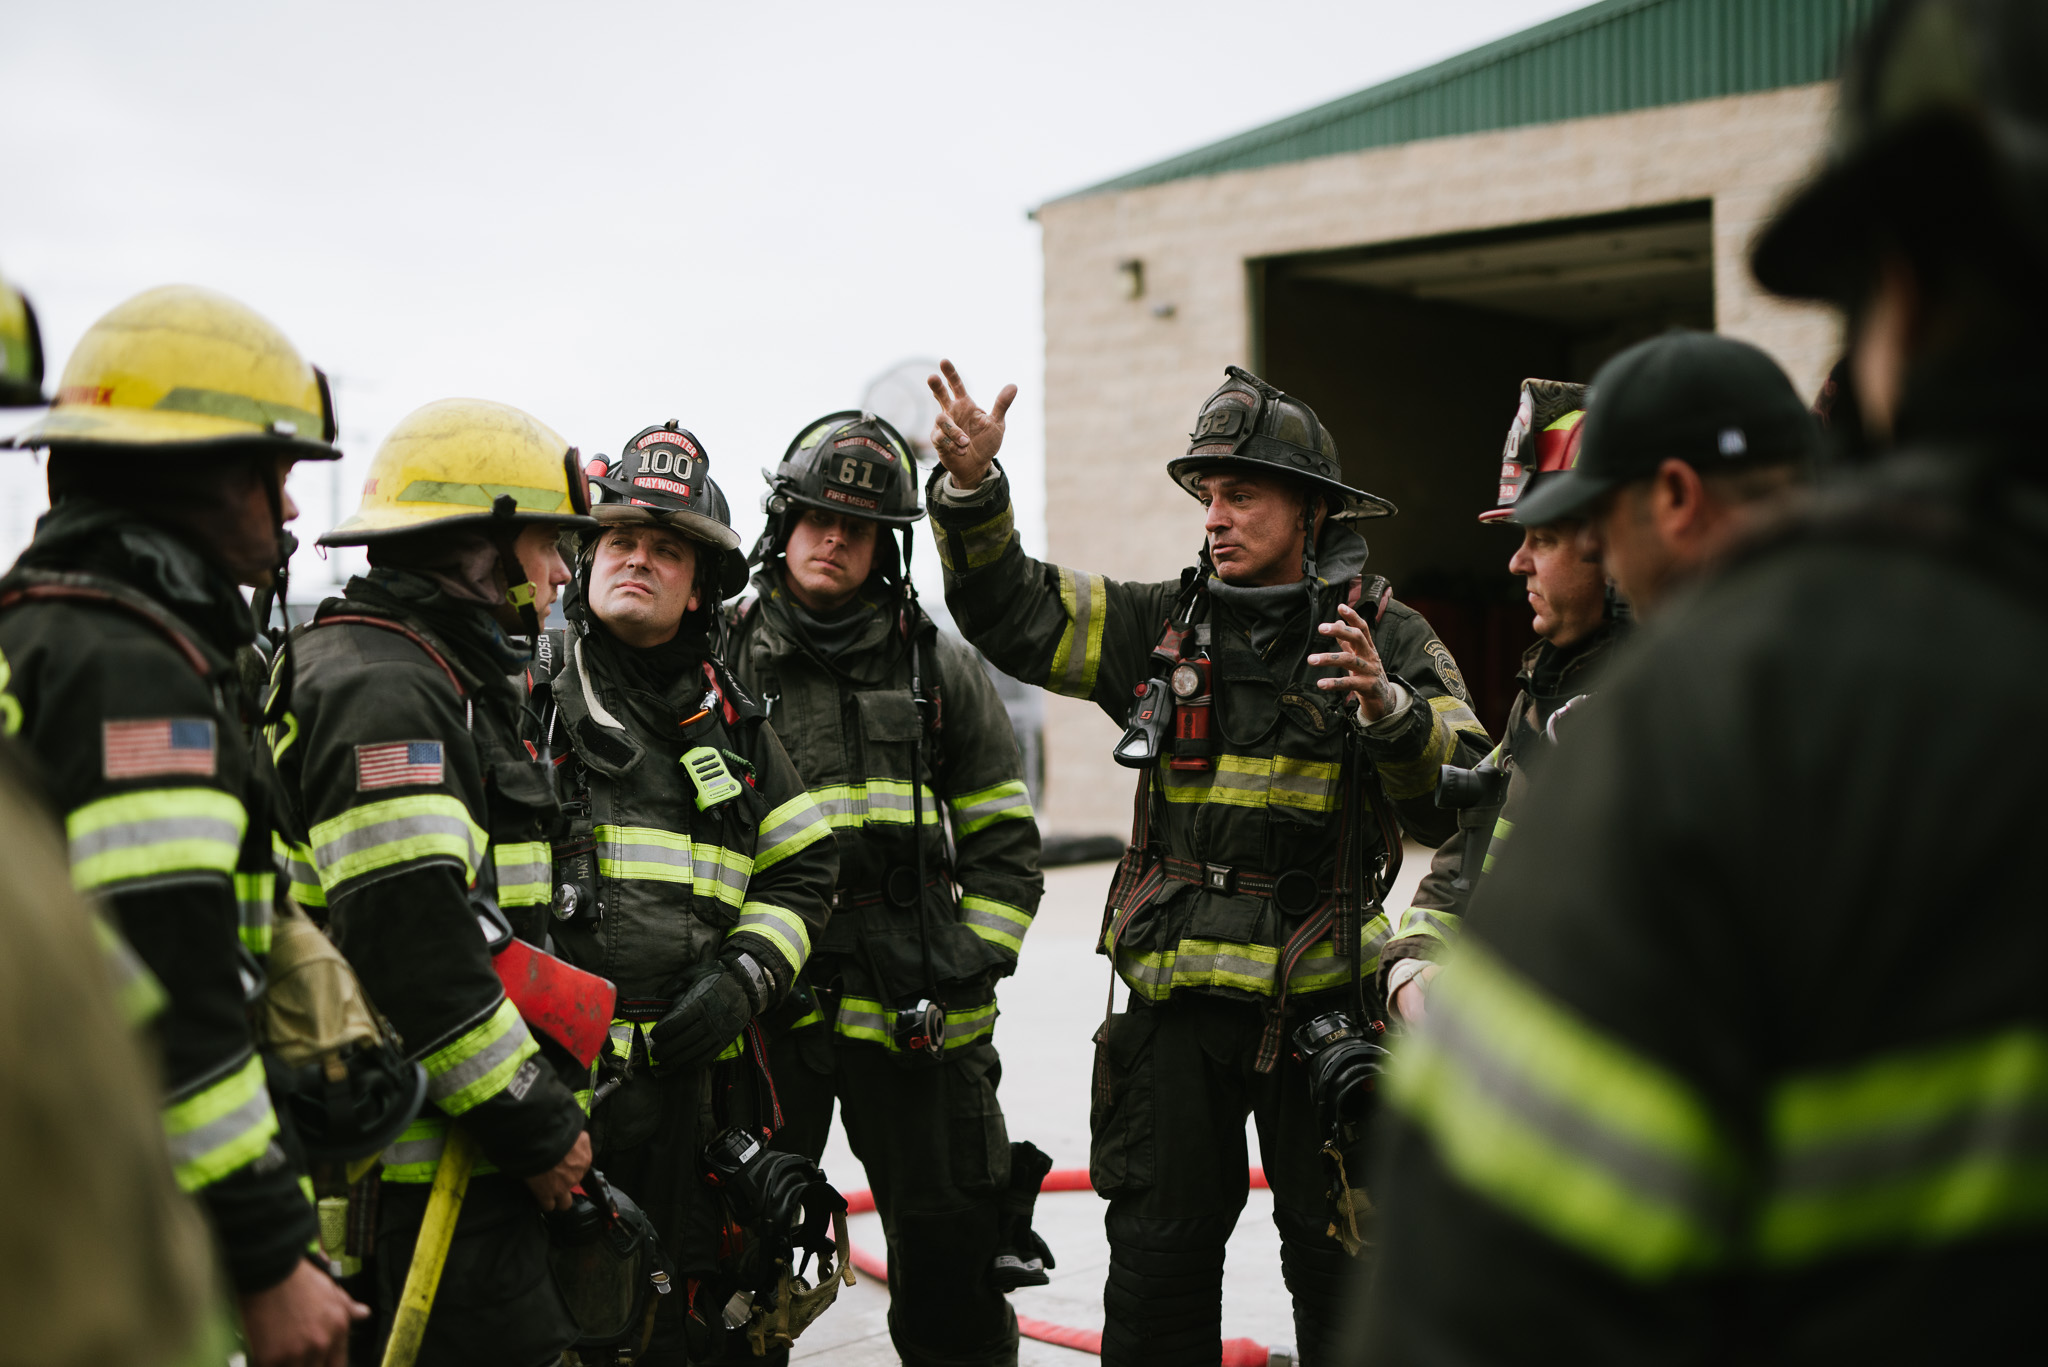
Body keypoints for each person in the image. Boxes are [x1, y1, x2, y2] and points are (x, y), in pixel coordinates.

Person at [1365, 0, 2048, 1359]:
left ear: (1899, 283)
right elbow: (1465, 840)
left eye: (1574, 526)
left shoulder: (1740, 720)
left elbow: (1492, 1294)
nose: (1540, 566)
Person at [923, 360, 1490, 1366]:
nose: (1215, 516)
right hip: (1174, 1021)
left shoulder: (1384, 634)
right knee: (1154, 1276)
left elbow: (1465, 797)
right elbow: (1013, 609)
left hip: (1327, 1011)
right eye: (1208, 495)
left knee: (1345, 1276)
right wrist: (973, 494)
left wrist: (1389, 713)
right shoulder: (1157, 628)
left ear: (1310, 509)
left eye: (1242, 493)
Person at [0, 284, 365, 1366]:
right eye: (276, 472)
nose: (293, 510)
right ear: (193, 476)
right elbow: (175, 988)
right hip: (131, 1209)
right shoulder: (134, 675)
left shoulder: (46, 633)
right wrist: (266, 1254)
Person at [266, 397, 598, 1365]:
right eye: (549, 543)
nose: (562, 573)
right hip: (417, 1183)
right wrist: (540, 1124)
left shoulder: (433, 671)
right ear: (481, 546)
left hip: (463, 1158)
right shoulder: (385, 688)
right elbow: (417, 948)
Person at [725, 410, 1046, 1367]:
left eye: (857, 528)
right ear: (783, 523)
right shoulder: (719, 656)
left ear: (887, 545)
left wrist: (969, 965)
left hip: (916, 1015)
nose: (833, 539)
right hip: (765, 1009)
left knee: (952, 1265)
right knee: (738, 1255)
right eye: (817, 518)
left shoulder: (937, 665)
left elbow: (1001, 842)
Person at [522, 423, 837, 1363]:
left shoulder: (735, 725)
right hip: (560, 1092)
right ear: (586, 563)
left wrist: (746, 979)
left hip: (701, 1091)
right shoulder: (523, 702)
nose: (639, 560)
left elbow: (805, 867)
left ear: (700, 587)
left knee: (694, 1324)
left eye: (667, 549)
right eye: (621, 540)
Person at [1380, 380, 1629, 1025]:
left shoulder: (1680, 704)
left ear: (1618, 547)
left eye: (1541, 538)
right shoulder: (1544, 694)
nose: (1517, 563)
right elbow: (1465, 860)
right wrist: (1413, 968)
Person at [1512, 330, 1814, 618]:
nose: (1590, 544)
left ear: (1678, 496)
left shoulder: (1707, 666)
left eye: (1603, 511)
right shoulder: (1846, 618)